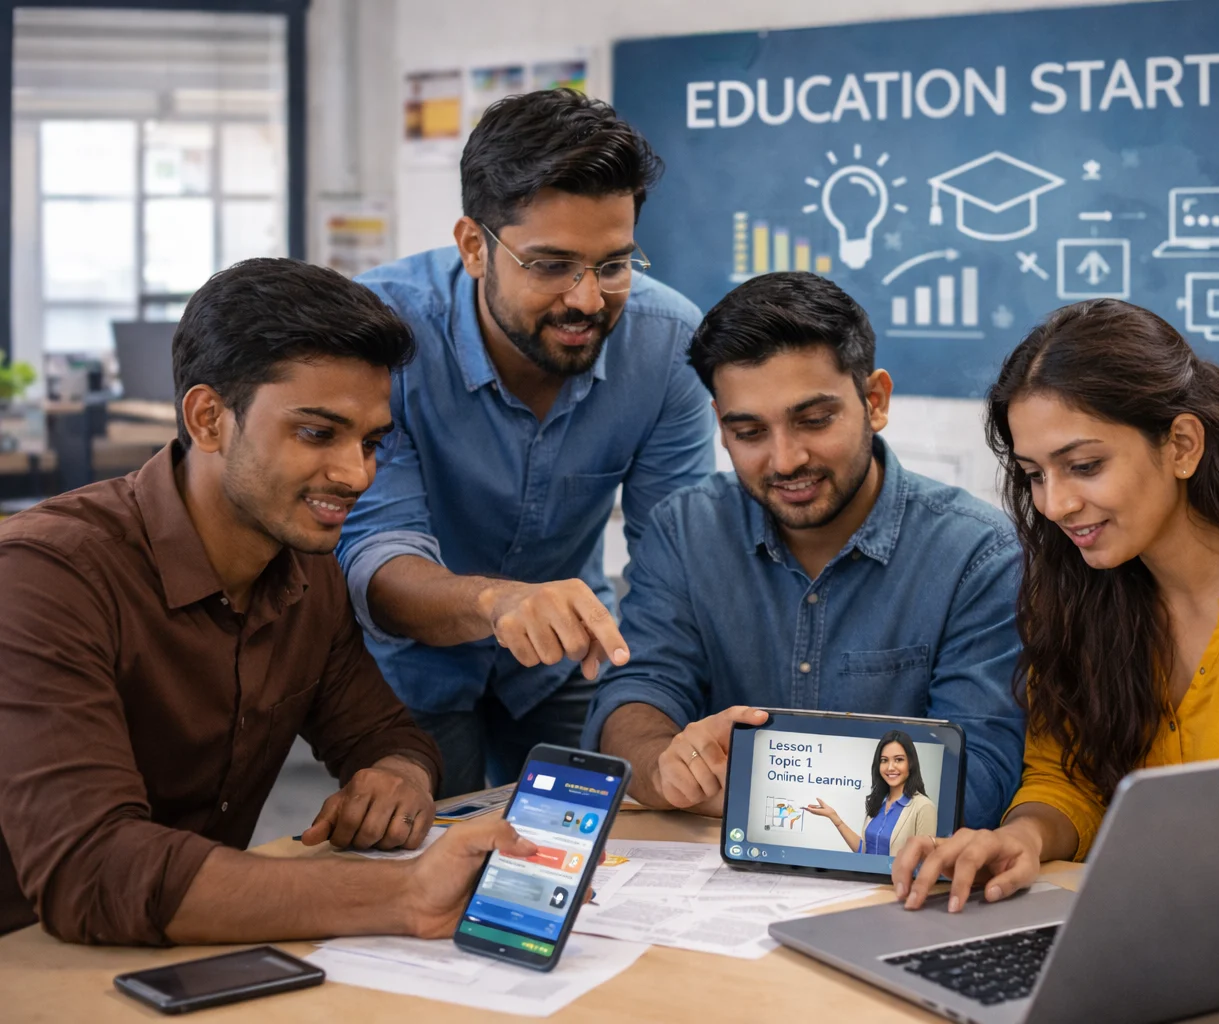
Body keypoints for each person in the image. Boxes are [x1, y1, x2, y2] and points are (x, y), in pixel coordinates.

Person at [0, 259, 541, 945]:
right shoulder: (47, 574)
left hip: (187, 953)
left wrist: (396, 777)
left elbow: (384, 734)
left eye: (371, 442)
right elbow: (93, 871)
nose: (355, 475)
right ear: (208, 419)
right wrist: (403, 892)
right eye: (317, 433)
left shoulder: (304, 570)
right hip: (32, 964)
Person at [893, 298, 1219, 913]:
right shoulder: (1080, 588)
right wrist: (1023, 836)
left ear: (1181, 445)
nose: (1056, 504)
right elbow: (1067, 777)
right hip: (1133, 923)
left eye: (1084, 466)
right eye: (1035, 475)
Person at [337, 89, 715, 797]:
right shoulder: (379, 335)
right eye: (550, 265)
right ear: (474, 246)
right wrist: (497, 604)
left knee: (620, 837)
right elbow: (376, 558)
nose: (586, 299)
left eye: (613, 264)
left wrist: (659, 711)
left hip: (566, 657)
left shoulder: (668, 347)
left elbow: (674, 560)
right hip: (407, 660)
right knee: (426, 860)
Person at [583, 272, 1025, 828]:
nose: (786, 459)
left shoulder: (978, 556)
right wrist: (663, 767)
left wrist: (753, 786)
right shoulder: (685, 530)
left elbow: (979, 778)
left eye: (814, 421)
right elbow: (636, 693)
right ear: (721, 427)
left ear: (875, 400)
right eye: (750, 433)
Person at [805, 730, 938, 857]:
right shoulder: (879, 801)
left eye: (898, 759)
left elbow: (925, 862)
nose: (890, 767)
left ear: (911, 763)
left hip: (894, 881)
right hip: (866, 879)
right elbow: (865, 851)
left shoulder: (923, 806)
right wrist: (835, 818)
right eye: (884, 760)